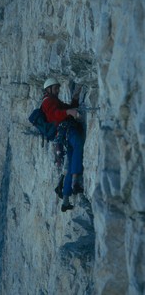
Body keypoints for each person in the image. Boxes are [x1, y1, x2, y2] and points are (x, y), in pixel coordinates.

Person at [42, 78, 85, 212]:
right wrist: (68, 112)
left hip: (63, 133)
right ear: (48, 89)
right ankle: (75, 181)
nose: (58, 90)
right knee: (78, 143)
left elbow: (67, 108)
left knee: (72, 160)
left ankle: (66, 199)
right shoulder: (47, 101)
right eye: (56, 88)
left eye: (58, 88)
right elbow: (55, 115)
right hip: (66, 130)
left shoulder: (54, 100)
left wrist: (75, 98)